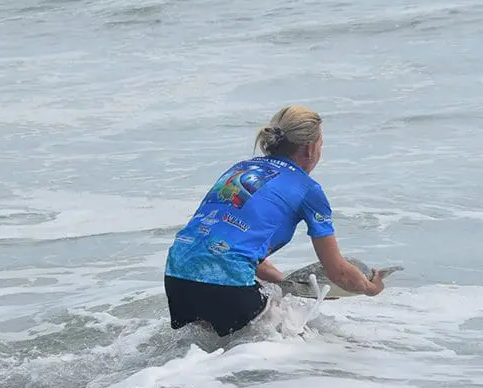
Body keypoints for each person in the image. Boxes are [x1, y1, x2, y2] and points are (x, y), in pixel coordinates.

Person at [163, 104, 385, 337]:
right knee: (292, 348)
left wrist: (287, 285)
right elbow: (337, 271)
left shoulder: (240, 170)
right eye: (321, 145)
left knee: (197, 357)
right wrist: (370, 288)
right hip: (228, 284)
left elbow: (229, 246)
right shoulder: (308, 190)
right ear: (310, 149)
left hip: (178, 277)